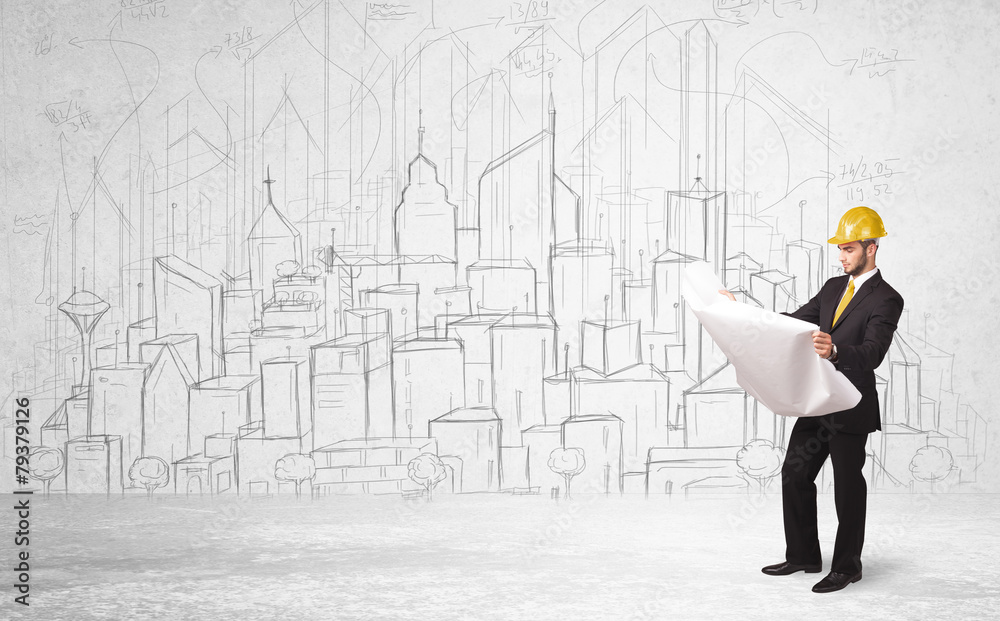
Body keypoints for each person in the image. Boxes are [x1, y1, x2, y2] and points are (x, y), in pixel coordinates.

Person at [719, 206, 904, 593]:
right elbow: (793, 322)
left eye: (849, 249)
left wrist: (835, 351)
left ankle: (847, 566)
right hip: (817, 399)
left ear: (871, 248)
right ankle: (803, 555)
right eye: (840, 249)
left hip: (850, 404)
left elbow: (873, 353)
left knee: (847, 484)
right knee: (795, 473)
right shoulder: (833, 287)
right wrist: (741, 315)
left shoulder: (887, 299)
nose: (841, 256)